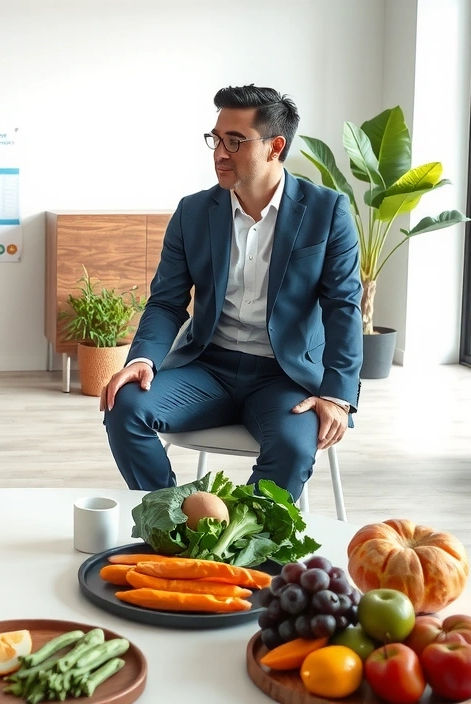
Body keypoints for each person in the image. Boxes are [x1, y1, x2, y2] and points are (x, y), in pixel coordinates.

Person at [102, 85, 363, 499]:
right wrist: (143, 358)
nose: (219, 152)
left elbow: (343, 308)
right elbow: (167, 301)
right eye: (216, 139)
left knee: (294, 449)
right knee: (123, 405)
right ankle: (177, 525)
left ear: (275, 146)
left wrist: (336, 395)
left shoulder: (327, 212)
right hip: (208, 367)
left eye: (235, 141)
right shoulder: (193, 212)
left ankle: (240, 541)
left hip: (286, 377)